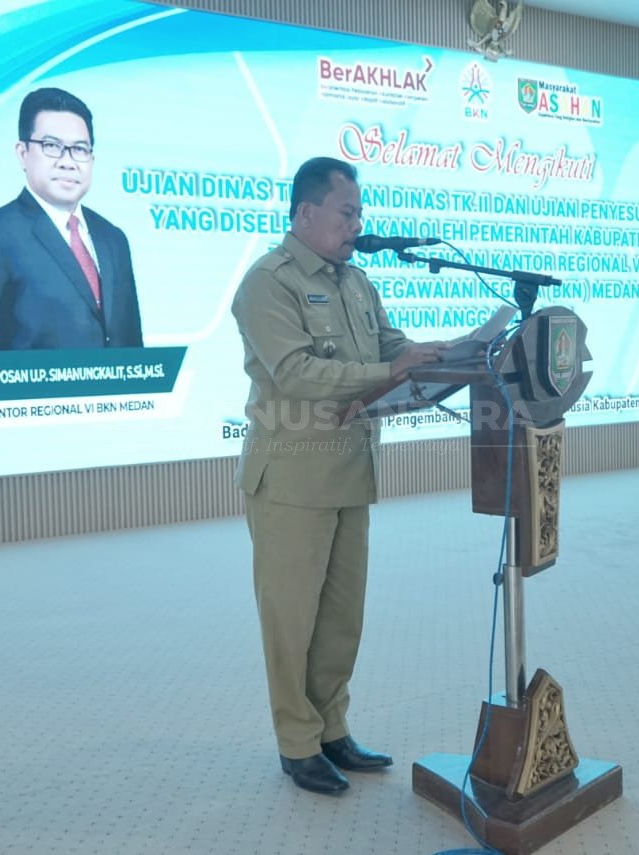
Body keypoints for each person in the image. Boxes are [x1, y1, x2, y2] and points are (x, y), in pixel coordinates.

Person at [231, 156, 443, 796]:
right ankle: (297, 745)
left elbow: (387, 345)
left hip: (350, 470)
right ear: (306, 213)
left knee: (341, 619)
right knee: (292, 621)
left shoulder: (356, 282)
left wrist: (435, 355)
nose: (357, 225)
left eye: (359, 214)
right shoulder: (268, 283)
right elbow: (296, 373)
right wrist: (390, 371)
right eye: (347, 213)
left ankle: (332, 730)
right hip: (293, 480)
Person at [0, 88, 143, 351]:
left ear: (92, 159)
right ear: (22, 153)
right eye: (51, 146)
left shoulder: (113, 239)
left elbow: (132, 348)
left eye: (79, 149)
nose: (67, 162)